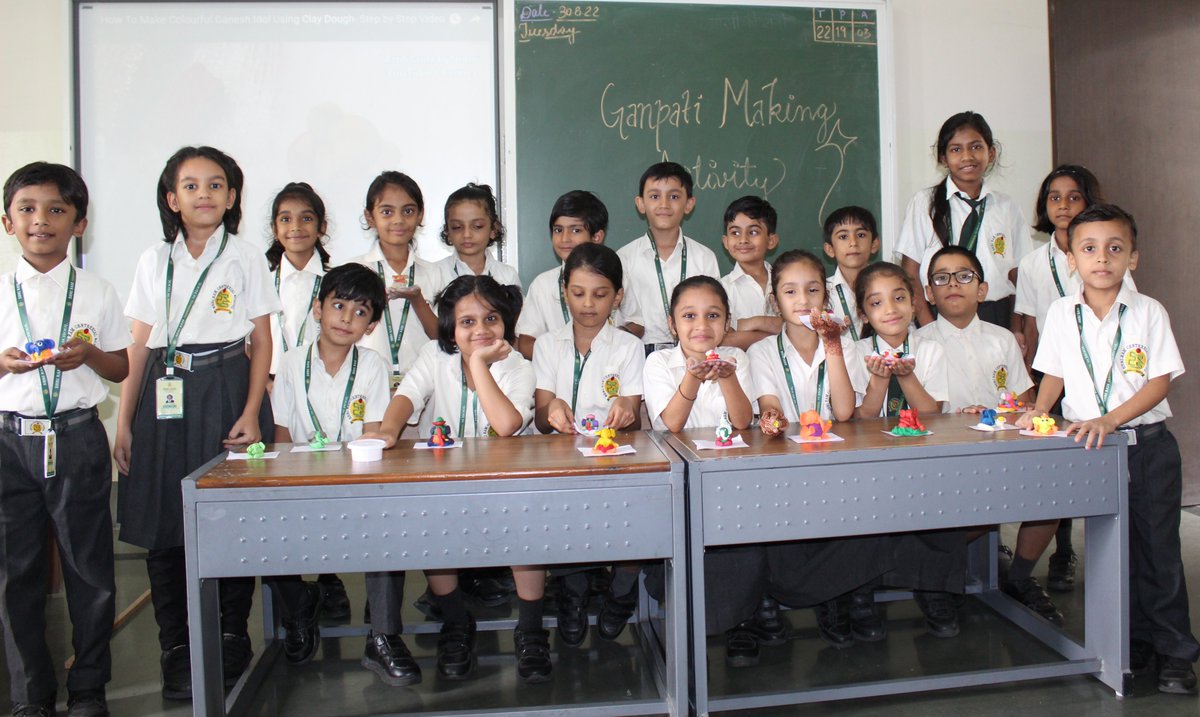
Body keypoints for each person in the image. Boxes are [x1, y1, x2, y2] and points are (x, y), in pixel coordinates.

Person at [115, 146, 279, 700]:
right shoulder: (151, 260)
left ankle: (232, 634)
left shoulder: (247, 256)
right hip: (165, 391)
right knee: (165, 519)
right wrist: (123, 422)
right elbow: (138, 346)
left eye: (215, 184)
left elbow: (262, 340)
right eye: (190, 185)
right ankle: (176, 645)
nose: (203, 194)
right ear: (172, 198)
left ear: (232, 197)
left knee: (231, 514)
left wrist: (252, 410)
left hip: (227, 384)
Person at [1017, 203, 1199, 695]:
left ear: (1133, 258)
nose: (1102, 258)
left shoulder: (1148, 312)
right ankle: (1135, 644)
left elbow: (1158, 383)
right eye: (1089, 248)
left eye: (1115, 249)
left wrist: (1109, 420)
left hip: (1145, 447)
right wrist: (1038, 411)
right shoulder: (1060, 312)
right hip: (1089, 451)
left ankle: (1177, 653)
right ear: (1072, 259)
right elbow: (1051, 373)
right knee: (1110, 555)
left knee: (1157, 551)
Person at [363, 275, 550, 683]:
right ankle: (455, 623)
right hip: (446, 479)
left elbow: (505, 425)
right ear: (450, 328)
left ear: (506, 322)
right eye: (467, 322)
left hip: (507, 481)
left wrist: (479, 364)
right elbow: (405, 398)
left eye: (491, 319)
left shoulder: (519, 366)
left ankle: (531, 629)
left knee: (525, 532)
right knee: (434, 528)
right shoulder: (435, 356)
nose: (480, 330)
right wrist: (390, 431)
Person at [0, 162, 130, 717]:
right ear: (7, 221)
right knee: (15, 573)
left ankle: (88, 687)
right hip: (9, 443)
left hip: (76, 437)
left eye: (57, 210)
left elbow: (121, 368)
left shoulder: (98, 291)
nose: (41, 221)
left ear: (79, 223)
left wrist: (89, 356)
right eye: (27, 209)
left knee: (89, 569)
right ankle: (31, 693)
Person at [270, 264, 423, 684]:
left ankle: (383, 636)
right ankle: (300, 608)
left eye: (359, 312)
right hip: (300, 478)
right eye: (338, 305)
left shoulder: (372, 366)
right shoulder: (288, 362)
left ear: (372, 324)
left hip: (353, 480)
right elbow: (282, 434)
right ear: (318, 309)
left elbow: (374, 436)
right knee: (262, 524)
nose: (346, 319)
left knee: (389, 523)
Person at [746, 250, 893, 655]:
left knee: (871, 499)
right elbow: (770, 408)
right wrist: (772, 418)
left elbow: (845, 411)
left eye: (813, 289)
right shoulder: (761, 353)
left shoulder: (844, 344)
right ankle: (823, 597)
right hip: (788, 464)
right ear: (775, 300)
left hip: (838, 461)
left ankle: (855, 595)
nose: (803, 299)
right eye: (790, 291)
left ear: (826, 296)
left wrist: (832, 345)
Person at [915, 247, 1062, 625]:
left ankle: (1018, 578)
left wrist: (998, 412)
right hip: (941, 458)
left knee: (1053, 492)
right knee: (946, 512)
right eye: (941, 278)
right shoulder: (918, 342)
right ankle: (932, 576)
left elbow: (1026, 402)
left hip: (999, 451)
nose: (953, 285)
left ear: (982, 290)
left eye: (964, 276)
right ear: (928, 293)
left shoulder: (1002, 340)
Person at [1013, 165, 1126, 593]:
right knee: (1056, 474)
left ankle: (1067, 554)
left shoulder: (1104, 254)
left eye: (1074, 197)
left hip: (1098, 378)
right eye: (1054, 198)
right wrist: (1035, 385)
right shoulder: (1031, 263)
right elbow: (1026, 322)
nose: (1063, 205)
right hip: (1053, 374)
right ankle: (1053, 550)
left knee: (1094, 472)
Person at [532, 242, 644, 646]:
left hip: (613, 459)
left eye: (600, 295)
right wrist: (553, 408)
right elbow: (543, 418)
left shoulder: (629, 347)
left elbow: (631, 407)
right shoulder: (547, 345)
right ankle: (573, 596)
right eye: (578, 293)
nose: (588, 304)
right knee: (565, 521)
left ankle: (621, 589)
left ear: (617, 297)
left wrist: (625, 411)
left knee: (638, 517)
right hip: (563, 462)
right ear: (564, 292)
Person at [851, 262, 963, 636]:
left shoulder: (931, 349)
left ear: (914, 303)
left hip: (922, 455)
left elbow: (933, 411)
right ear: (864, 314)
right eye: (877, 303)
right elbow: (860, 417)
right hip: (868, 458)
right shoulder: (855, 353)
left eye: (899, 298)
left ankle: (933, 590)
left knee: (937, 512)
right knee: (860, 515)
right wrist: (880, 381)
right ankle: (861, 593)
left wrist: (905, 373)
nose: (891, 309)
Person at [263, 181, 351, 620]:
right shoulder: (259, 278)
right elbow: (250, 337)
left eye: (306, 218)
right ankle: (294, 600)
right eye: (285, 218)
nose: (295, 227)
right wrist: (263, 377)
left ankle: (331, 578)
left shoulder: (336, 281)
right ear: (274, 227)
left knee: (328, 488)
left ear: (322, 227)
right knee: (280, 499)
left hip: (325, 388)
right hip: (271, 392)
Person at [894, 111, 1032, 331]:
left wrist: (1016, 326)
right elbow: (910, 273)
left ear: (992, 152)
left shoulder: (1007, 207)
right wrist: (930, 326)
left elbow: (1019, 276)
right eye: (956, 149)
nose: (967, 156)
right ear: (943, 158)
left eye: (976, 147)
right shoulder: (924, 203)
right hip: (939, 316)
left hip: (996, 314)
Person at [516, 190, 642, 359]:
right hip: (557, 376)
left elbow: (638, 324)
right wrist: (565, 357)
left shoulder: (616, 274)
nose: (565, 239)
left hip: (608, 370)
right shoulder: (542, 284)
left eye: (575, 230)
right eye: (558, 230)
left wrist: (613, 338)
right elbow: (525, 343)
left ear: (597, 236)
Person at [344, 171, 439, 394]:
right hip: (364, 386)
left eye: (408, 211)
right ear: (370, 217)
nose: (398, 220)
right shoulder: (353, 271)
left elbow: (442, 336)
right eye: (387, 212)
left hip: (425, 388)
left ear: (420, 216)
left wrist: (418, 301)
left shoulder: (434, 272)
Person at [616, 162, 720, 355]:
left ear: (689, 204)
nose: (664, 204)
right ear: (640, 204)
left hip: (693, 353)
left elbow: (714, 313)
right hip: (638, 356)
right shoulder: (623, 258)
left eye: (673, 196)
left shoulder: (704, 257)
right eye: (655, 196)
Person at [428, 183, 521, 299]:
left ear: (493, 229)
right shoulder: (434, 274)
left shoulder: (507, 275)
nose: (467, 234)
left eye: (477, 226)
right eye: (457, 227)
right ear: (447, 232)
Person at [719, 195, 781, 350]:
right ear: (726, 242)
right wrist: (779, 329)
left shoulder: (787, 282)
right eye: (735, 233)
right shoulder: (720, 289)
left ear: (771, 241)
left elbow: (805, 328)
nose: (743, 240)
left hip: (786, 371)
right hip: (739, 371)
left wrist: (752, 323)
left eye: (753, 232)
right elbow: (725, 339)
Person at [822, 205, 881, 341]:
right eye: (843, 236)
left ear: (874, 244)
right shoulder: (821, 292)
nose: (853, 243)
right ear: (830, 249)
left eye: (861, 235)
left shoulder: (888, 286)